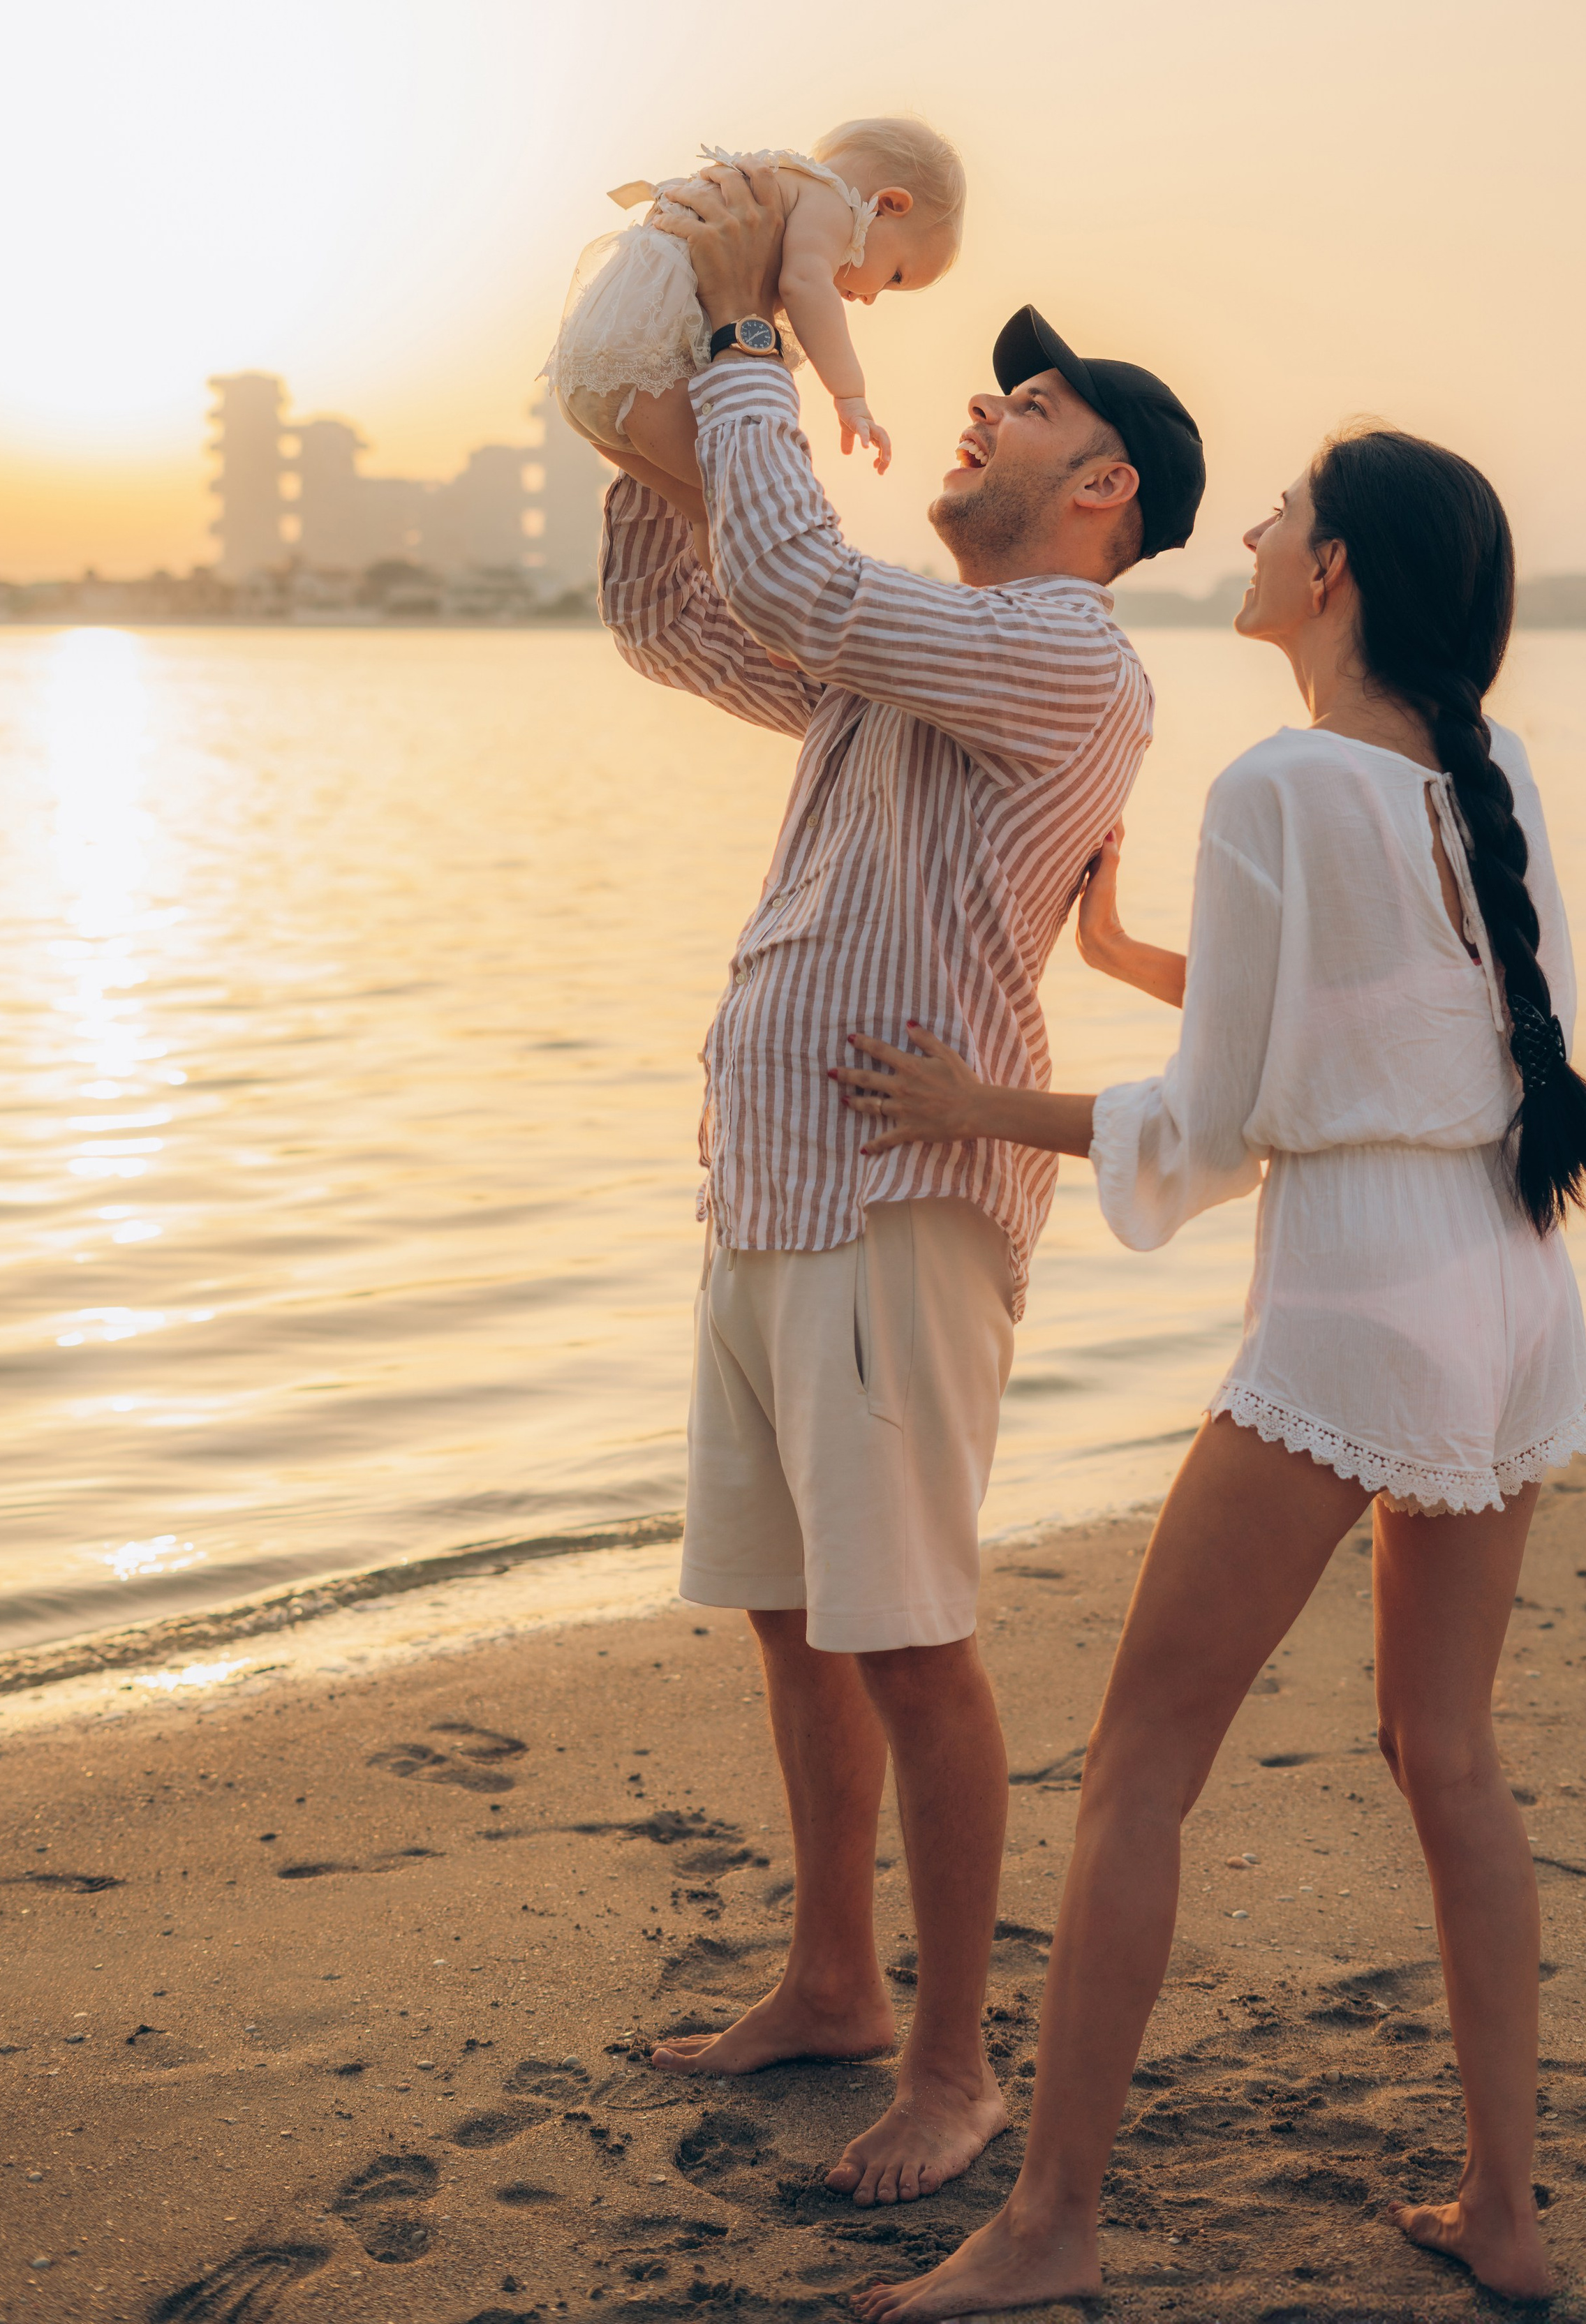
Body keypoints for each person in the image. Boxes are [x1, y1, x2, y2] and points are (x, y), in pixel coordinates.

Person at [833, 422, 1586, 2307]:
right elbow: (1419, 1017)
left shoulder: (1278, 781)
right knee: (1450, 1755)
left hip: (1355, 1298)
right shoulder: (1483, 766)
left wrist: (979, 1101)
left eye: (1281, 515)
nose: (1256, 534)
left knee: (1139, 1771)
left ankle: (1046, 2224)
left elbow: (1222, 1123)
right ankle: (1507, 2212)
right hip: (1514, 1290)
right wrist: (1135, 961)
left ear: (1333, 573)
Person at [595, 162, 1205, 2209]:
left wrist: (766, 324)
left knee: (912, 1638)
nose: (980, 411)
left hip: (897, 1201)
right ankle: (834, 1977)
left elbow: (799, 580)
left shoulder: (1067, 665)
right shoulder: (918, 651)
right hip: (769, 1179)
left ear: (1103, 493)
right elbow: (682, 614)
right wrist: (665, 350)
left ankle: (948, 2062)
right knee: (790, 1621)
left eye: (1030, 411)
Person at [544, 119, 965, 507]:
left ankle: (717, 593)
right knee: (754, 500)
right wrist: (850, 394)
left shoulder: (779, 185)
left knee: (707, 512)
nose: (873, 298)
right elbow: (804, 285)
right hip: (643, 372)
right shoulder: (830, 203)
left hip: (592, 369)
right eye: (895, 276)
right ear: (889, 204)